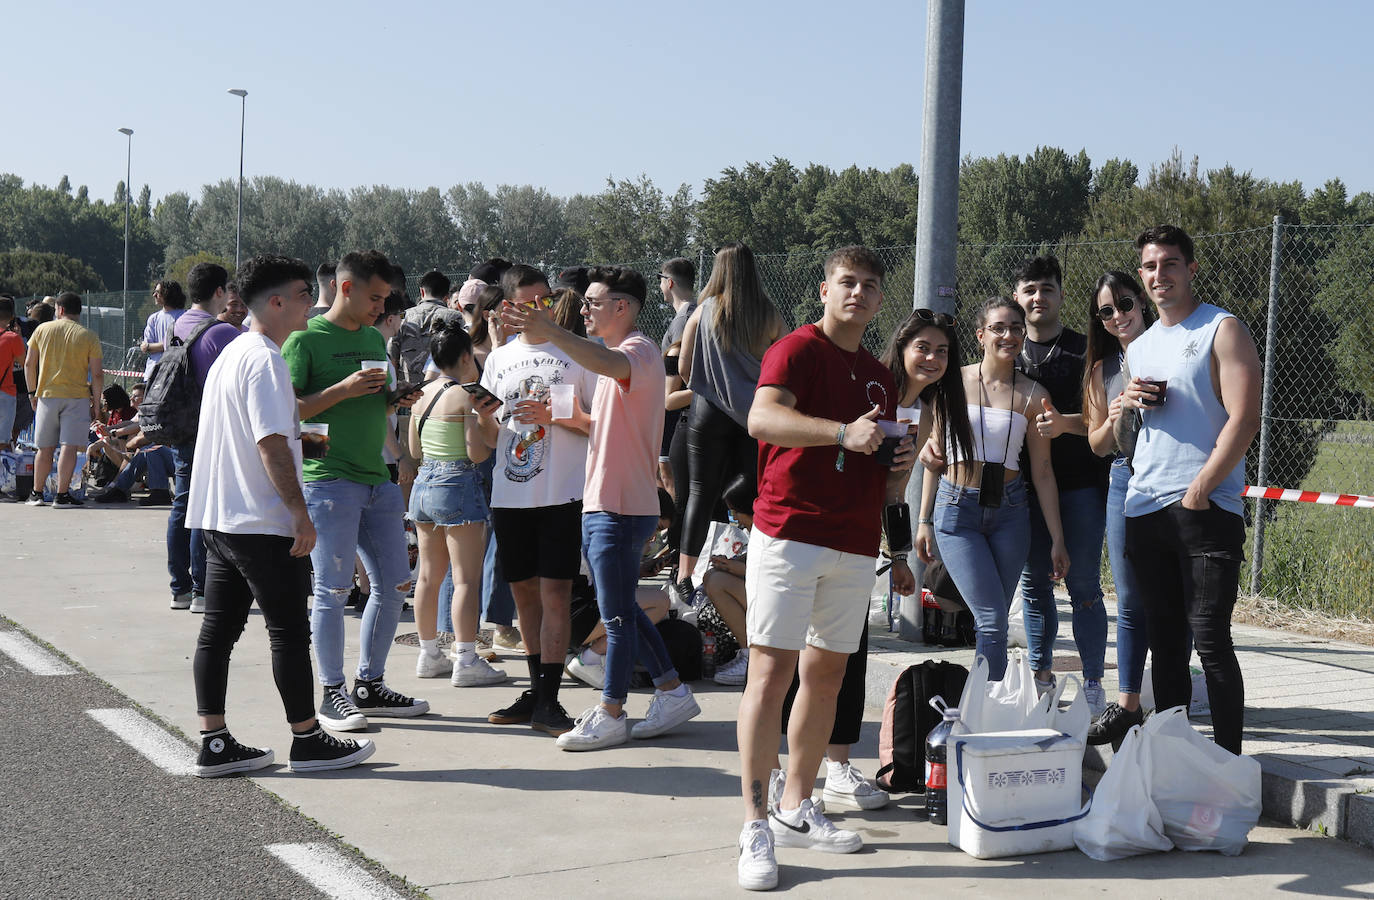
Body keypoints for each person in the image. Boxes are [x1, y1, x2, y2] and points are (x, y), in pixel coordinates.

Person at [734, 246, 913, 891]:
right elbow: (761, 418)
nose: (858, 293)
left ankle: (796, 805)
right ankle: (755, 823)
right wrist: (842, 433)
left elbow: (876, 466)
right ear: (824, 289)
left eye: (869, 285)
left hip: (855, 541)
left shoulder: (879, 374)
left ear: (879, 298)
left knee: (827, 672)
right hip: (788, 531)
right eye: (847, 282)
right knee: (771, 670)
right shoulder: (795, 350)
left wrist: (898, 465)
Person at [186, 253, 375, 777]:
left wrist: (312, 458)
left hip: (221, 517)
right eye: (300, 295)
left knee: (218, 632)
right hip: (260, 517)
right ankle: (308, 740)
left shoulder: (232, 351)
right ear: (275, 302)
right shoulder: (266, 358)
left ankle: (215, 740)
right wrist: (300, 512)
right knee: (289, 631)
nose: (310, 304)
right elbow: (270, 442)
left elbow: (286, 433)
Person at [501, 265, 700, 752]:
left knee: (614, 617)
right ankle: (672, 691)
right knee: (622, 608)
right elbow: (605, 424)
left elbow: (606, 366)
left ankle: (611, 710)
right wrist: (557, 415)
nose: (584, 311)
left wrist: (548, 332)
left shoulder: (638, 351)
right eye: (584, 303)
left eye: (593, 303)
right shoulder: (618, 359)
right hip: (607, 503)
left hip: (618, 506)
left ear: (623, 307)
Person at [1123, 225, 1261, 756]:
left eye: (1171, 264)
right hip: (1145, 506)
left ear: (1191, 269)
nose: (1161, 275)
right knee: (1166, 645)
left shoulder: (1221, 329)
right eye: (1151, 267)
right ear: (1143, 276)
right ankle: (1174, 758)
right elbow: (1127, 437)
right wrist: (1129, 406)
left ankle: (1228, 763)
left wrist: (1202, 487)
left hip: (1204, 507)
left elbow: (1244, 417)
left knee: (1210, 639)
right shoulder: (1141, 346)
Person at [282, 249, 429, 733]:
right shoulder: (304, 339)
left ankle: (370, 684)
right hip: (328, 482)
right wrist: (343, 391)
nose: (380, 308)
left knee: (395, 585)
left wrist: (394, 398)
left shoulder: (371, 336)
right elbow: (291, 412)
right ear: (346, 288)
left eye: (386, 299)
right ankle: (331, 693)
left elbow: (371, 402)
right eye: (375, 297)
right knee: (332, 590)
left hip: (376, 479)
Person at [915, 297, 1069, 683]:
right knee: (991, 619)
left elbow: (1044, 471)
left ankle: (984, 705)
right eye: (999, 328)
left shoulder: (1034, 394)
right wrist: (924, 520)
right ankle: (988, 705)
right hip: (957, 509)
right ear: (981, 334)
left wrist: (1057, 539)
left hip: (1010, 512)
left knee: (995, 617)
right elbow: (934, 455)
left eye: (1016, 328)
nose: (1009, 335)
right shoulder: (952, 382)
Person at [478, 265, 599, 737]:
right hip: (510, 494)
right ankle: (537, 692)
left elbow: (599, 423)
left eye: (545, 300)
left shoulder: (577, 353)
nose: (541, 310)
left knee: (554, 595)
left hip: (562, 493)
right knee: (523, 593)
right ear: (507, 308)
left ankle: (549, 700)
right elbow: (489, 440)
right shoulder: (498, 359)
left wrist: (555, 415)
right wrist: (483, 416)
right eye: (529, 303)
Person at [1011, 255, 1110, 711]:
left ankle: (1093, 683)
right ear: (1017, 296)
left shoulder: (1083, 348)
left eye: (1047, 289)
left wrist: (1061, 425)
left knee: (1084, 585)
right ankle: (1041, 677)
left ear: (1061, 296)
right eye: (1030, 289)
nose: (1038, 298)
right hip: (1024, 490)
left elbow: (1101, 418)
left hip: (1081, 486)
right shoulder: (1006, 348)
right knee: (1034, 586)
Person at [674, 243, 784, 604]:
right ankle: (756, 565)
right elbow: (788, 358)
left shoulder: (703, 310)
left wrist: (708, 385)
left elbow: (684, 367)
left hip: (707, 412)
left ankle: (684, 575)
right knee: (754, 492)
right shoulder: (768, 313)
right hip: (754, 415)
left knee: (699, 494)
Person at [408, 319, 505, 687]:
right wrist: (485, 421)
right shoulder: (465, 395)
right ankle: (465, 657)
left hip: (424, 484)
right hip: (458, 484)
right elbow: (477, 453)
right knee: (465, 579)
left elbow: (414, 449)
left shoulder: (421, 395)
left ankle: (428, 653)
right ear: (466, 357)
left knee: (429, 577)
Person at [1081, 271, 1155, 747]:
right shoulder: (1101, 370)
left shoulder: (1171, 346)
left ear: (1142, 302)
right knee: (1128, 599)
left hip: (1173, 475)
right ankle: (1128, 705)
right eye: (1105, 311)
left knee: (1174, 600)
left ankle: (1171, 701)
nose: (1117, 316)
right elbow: (1096, 445)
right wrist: (1113, 415)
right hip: (1125, 475)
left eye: (1124, 304)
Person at [166, 263, 242, 613]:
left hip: (179, 424)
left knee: (182, 503)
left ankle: (179, 588)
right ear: (218, 293)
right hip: (209, 428)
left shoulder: (177, 324)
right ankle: (201, 589)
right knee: (203, 508)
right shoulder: (222, 333)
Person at [24, 291, 102, 508]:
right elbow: (96, 374)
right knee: (69, 446)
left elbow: (30, 364)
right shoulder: (89, 336)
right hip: (76, 397)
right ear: (79, 311)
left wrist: (32, 393)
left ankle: (36, 493)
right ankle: (62, 494)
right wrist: (96, 404)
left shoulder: (42, 329)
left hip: (47, 396)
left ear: (60, 309)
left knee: (44, 447)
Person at [657, 257, 697, 499]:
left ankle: (674, 531)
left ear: (669, 282)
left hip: (679, 412)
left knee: (671, 477)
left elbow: (683, 372)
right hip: (679, 408)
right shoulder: (691, 314)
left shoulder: (684, 320)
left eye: (660, 281)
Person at [393, 269, 461, 385]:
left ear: (422, 292)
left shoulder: (402, 318)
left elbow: (392, 356)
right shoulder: (456, 318)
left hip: (408, 392)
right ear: (446, 297)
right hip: (441, 392)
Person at [140, 281, 187, 381]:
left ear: (167, 294)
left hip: (175, 375)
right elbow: (146, 347)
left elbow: (180, 345)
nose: (154, 295)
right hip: (152, 374)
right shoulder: (153, 318)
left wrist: (151, 347)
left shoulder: (184, 317)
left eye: (158, 292)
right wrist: (167, 345)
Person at [0, 297, 26, 451]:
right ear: (11, 317)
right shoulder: (12, 338)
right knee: (3, 440)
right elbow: (25, 363)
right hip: (5, 393)